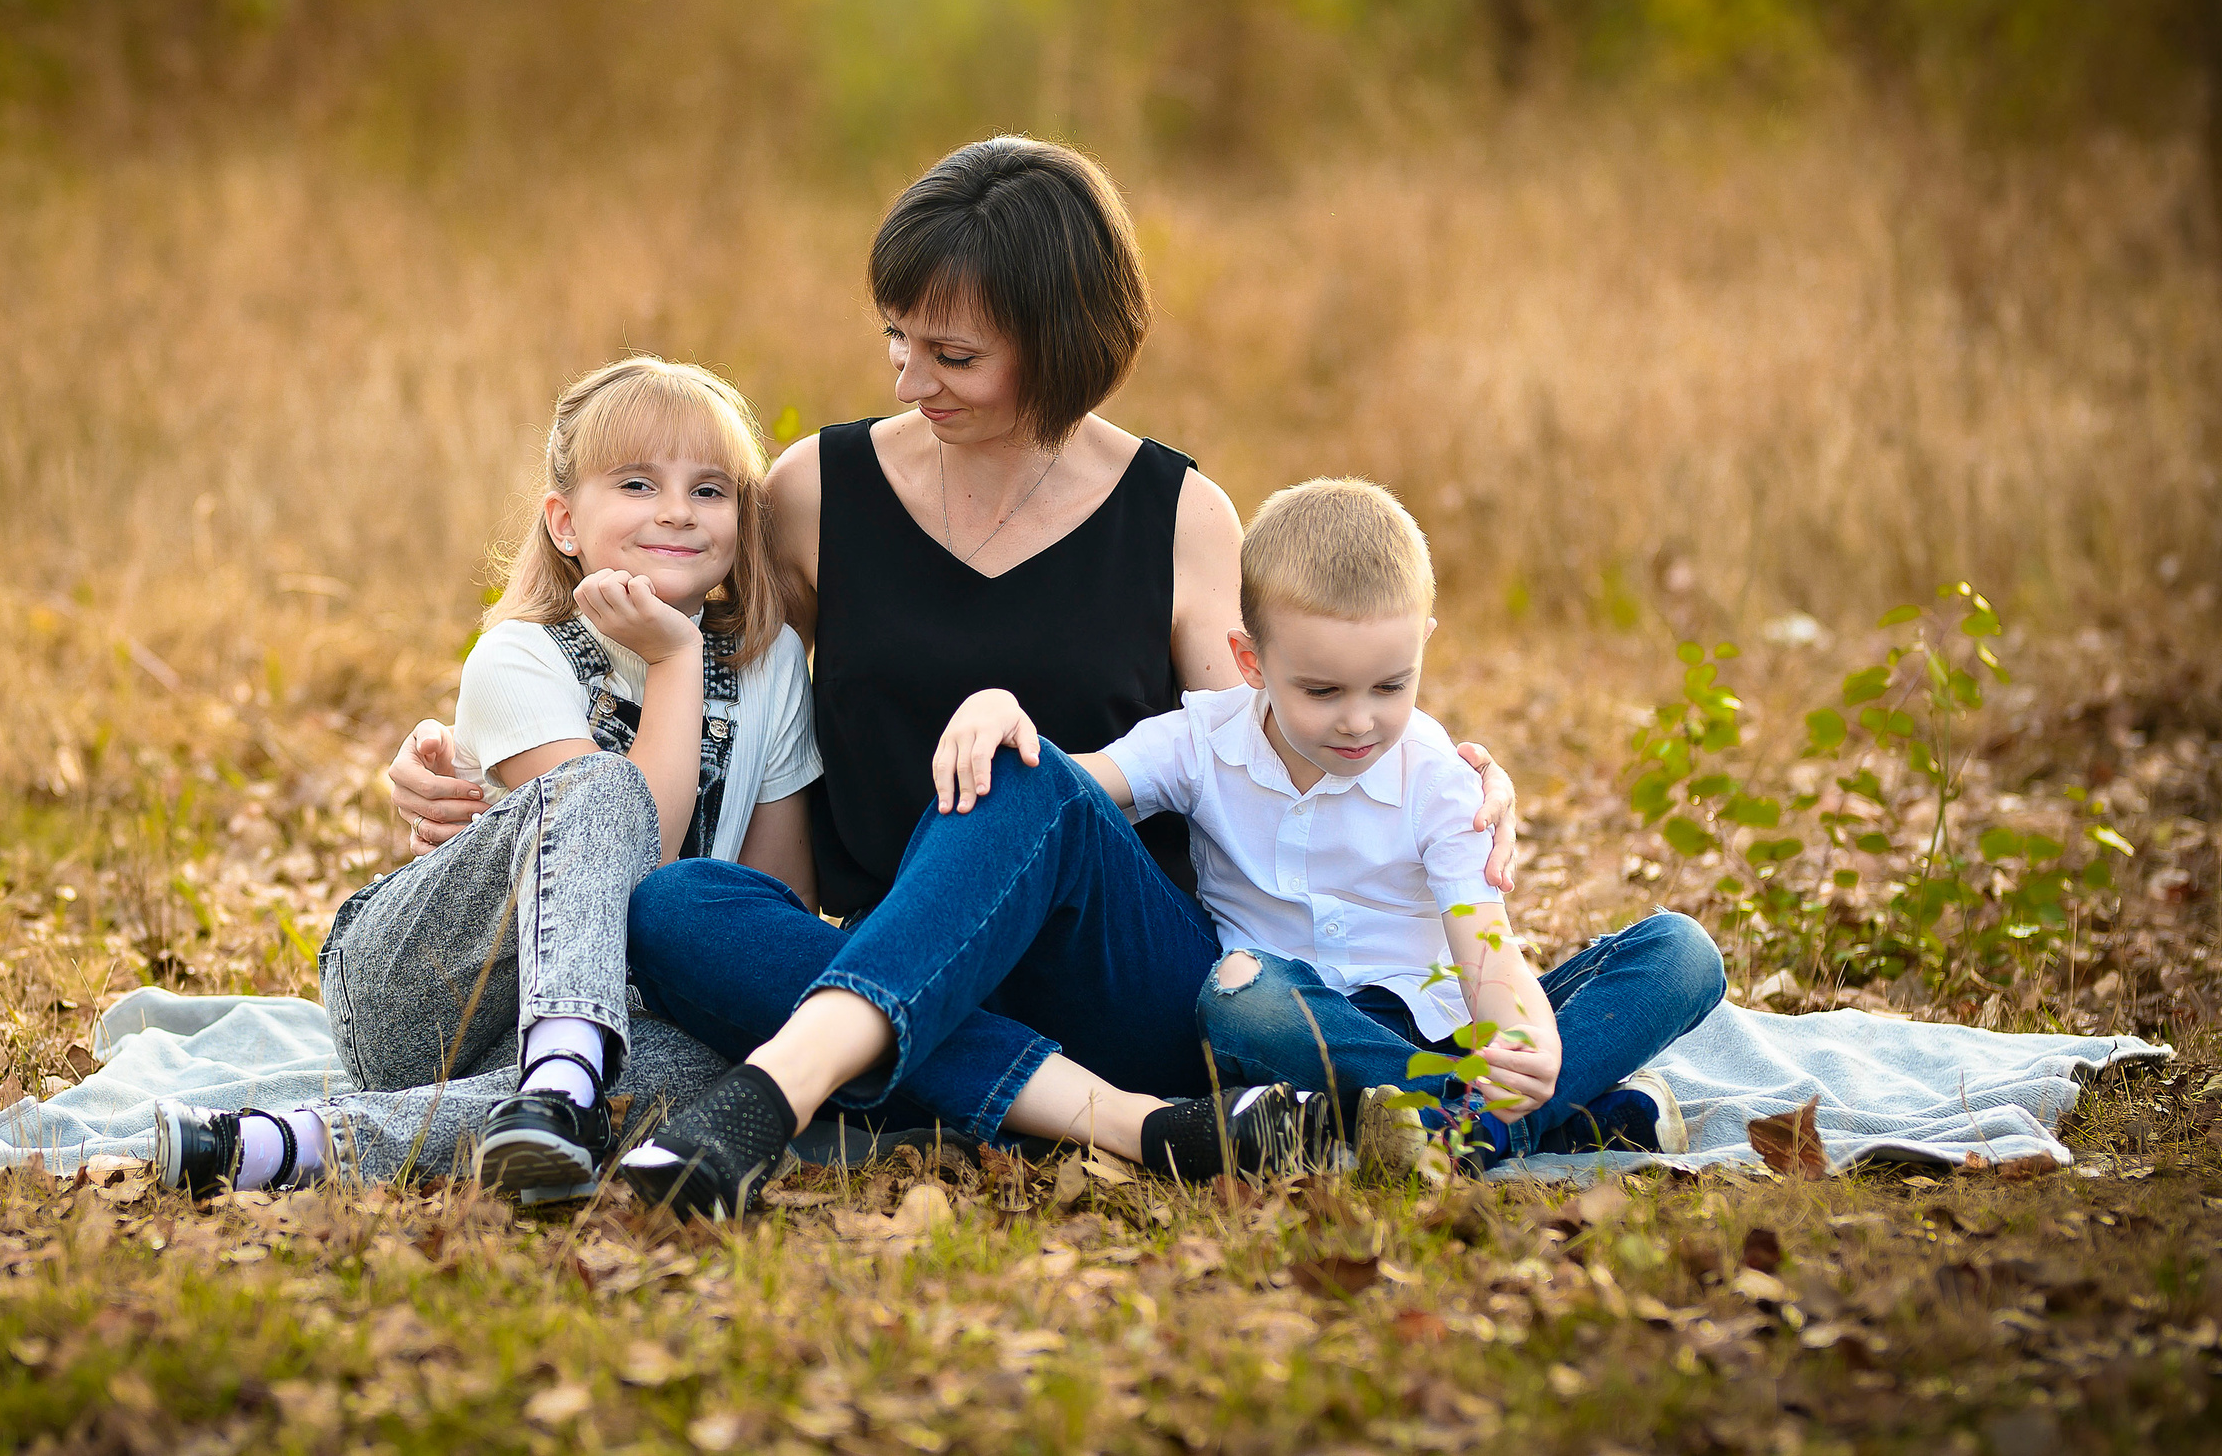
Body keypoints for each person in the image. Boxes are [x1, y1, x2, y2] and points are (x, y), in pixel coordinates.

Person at [542, 138, 1515, 1214]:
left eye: (952, 356)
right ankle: (1142, 1127)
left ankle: (770, 1096)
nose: (912, 382)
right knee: (675, 906)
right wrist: (480, 743)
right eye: (896, 341)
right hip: (890, 949)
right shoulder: (817, 491)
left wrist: (1443, 772)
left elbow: (1273, 742)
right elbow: (686, 665)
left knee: (1014, 768)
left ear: (1058, 345)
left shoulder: (1178, 518)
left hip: (1114, 974)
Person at [154, 358, 817, 1199]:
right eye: (639, 483)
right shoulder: (519, 655)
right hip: (424, 988)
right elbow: (633, 861)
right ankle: (559, 1083)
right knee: (602, 789)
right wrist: (676, 658)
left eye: (711, 489)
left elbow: (767, 900)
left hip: (610, 1027)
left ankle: (287, 1143)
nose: (678, 510)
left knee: (721, 1062)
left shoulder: (772, 664)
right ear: (565, 521)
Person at [932, 478, 1728, 1174]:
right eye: (1321, 690)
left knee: (1681, 952)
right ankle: (1509, 1126)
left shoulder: (1439, 778)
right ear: (1250, 662)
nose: (1360, 721)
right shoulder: (1201, 740)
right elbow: (1070, 794)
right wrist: (1001, 711)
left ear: (1425, 644)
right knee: (1238, 992)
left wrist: (1523, 1029)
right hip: (1288, 1024)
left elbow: (1484, 944)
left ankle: (1463, 1125)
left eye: (1391, 685)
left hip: (1437, 1035)